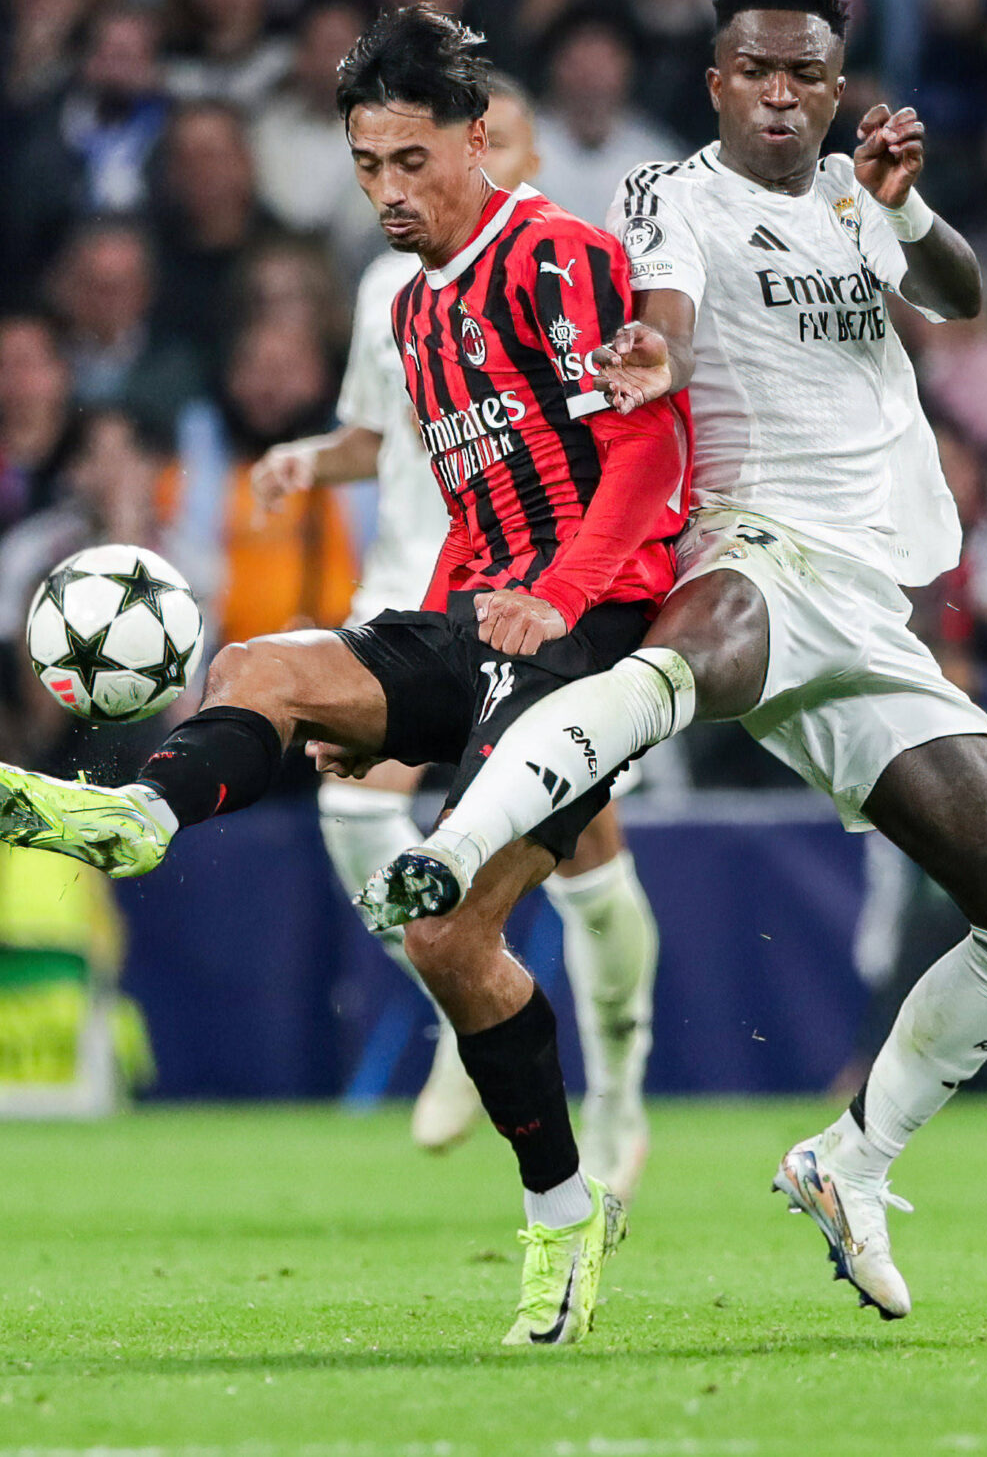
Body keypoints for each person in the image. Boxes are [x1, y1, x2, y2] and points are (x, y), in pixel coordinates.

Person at [0, 7, 691, 1345]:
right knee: (261, 667)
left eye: (413, 160)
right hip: (481, 621)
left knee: (446, 934)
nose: (390, 191)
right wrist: (387, 684)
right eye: (367, 164)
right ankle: (138, 813)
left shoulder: (558, 260)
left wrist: (558, 598)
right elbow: (474, 515)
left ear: (475, 137)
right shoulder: (416, 309)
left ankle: (562, 1217)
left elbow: (649, 456)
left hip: (592, 655)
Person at [376, 0, 987, 1322]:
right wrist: (650, 354)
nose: (779, 91)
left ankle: (850, 1158)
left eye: (806, 71)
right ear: (717, 82)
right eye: (755, 68)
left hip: (869, 607)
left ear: (833, 86)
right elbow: (669, 311)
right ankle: (450, 856)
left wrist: (901, 203)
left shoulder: (849, 198)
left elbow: (963, 289)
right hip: (750, 541)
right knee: (660, 680)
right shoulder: (668, 194)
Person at [251, 71, 661, 1191]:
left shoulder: (555, 267)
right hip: (427, 584)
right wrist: (308, 456)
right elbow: (373, 435)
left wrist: (581, 595)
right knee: (351, 802)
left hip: (546, 602)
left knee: (586, 859)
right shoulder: (396, 292)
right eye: (375, 164)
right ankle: (458, 987)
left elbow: (632, 440)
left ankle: (620, 1090)